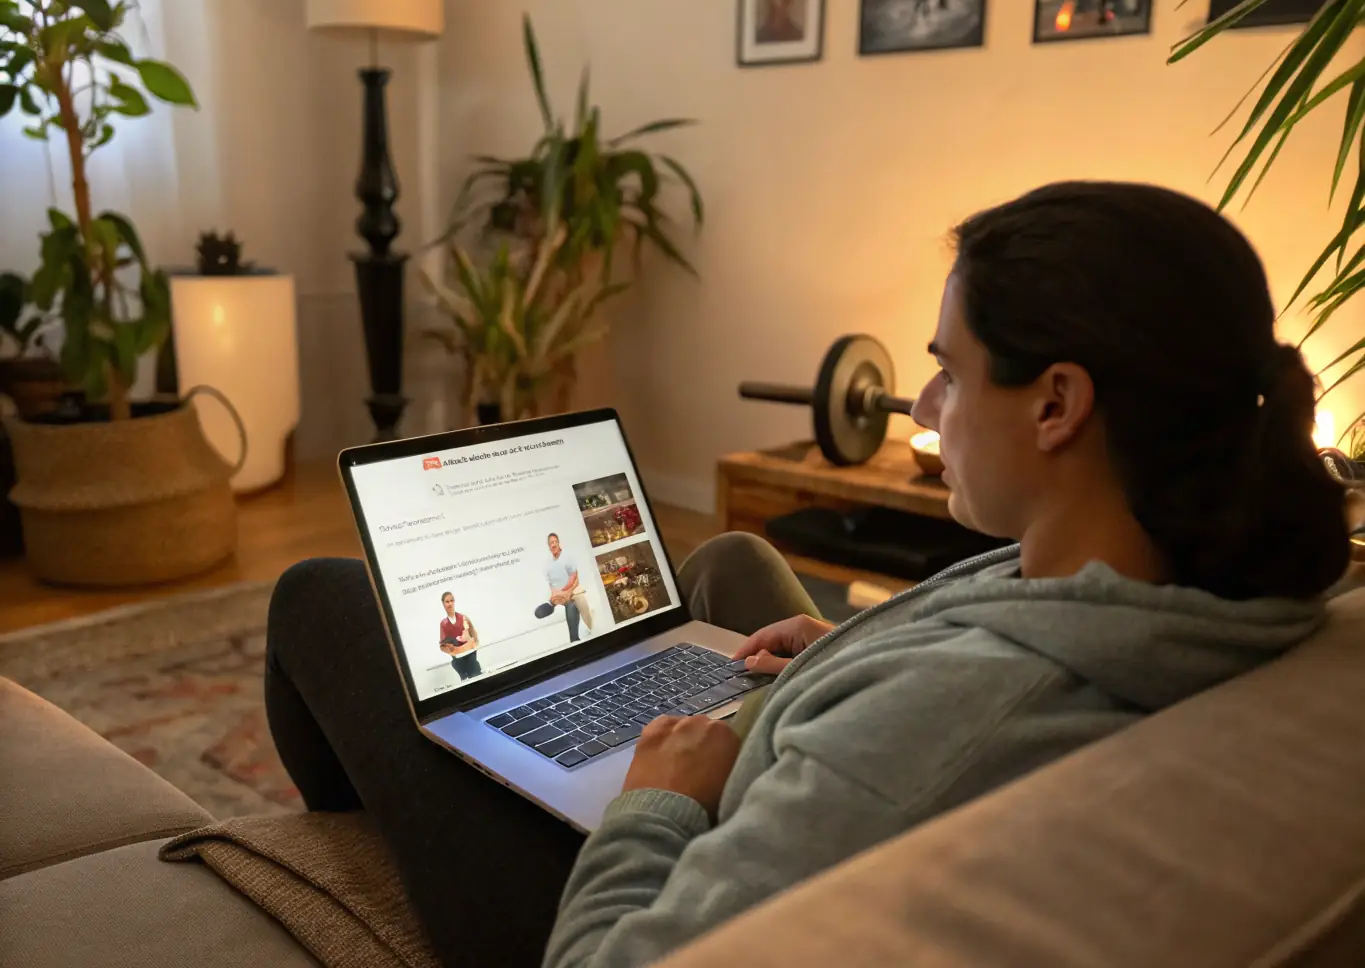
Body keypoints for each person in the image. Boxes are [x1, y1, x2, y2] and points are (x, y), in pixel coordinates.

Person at [263, 181, 1349, 968]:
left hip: (625, 891)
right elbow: (951, 680)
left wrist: (654, 802)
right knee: (731, 558)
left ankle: (367, 869)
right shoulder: (1222, 585)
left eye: (947, 369)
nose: (925, 406)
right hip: (817, 753)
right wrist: (853, 654)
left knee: (319, 594)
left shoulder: (940, 727)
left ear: (1056, 404)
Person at [544, 532, 593, 641]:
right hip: (561, 594)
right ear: (549, 546)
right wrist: (557, 595)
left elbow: (576, 579)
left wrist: (569, 592)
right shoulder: (549, 564)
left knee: (578, 601)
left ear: (558, 543)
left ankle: (588, 632)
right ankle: (574, 639)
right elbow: (551, 585)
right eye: (551, 543)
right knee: (562, 602)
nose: (553, 544)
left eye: (555, 542)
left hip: (573, 591)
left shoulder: (567, 557)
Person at [436, 591, 481, 680]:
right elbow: (443, 644)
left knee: (475, 673)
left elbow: (473, 633)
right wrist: (450, 648)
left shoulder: (463, 618)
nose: (450, 604)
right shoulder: (444, 624)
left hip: (470, 654)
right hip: (458, 658)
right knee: (457, 665)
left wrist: (471, 641)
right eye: (447, 601)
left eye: (451, 601)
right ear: (443, 604)